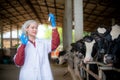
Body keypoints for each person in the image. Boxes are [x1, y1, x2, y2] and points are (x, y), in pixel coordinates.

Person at [13, 13, 60, 80]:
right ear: (26, 29)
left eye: (36, 28)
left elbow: (55, 43)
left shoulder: (43, 43)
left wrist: (54, 26)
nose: (35, 30)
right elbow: (18, 63)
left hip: (43, 75)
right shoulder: (21, 46)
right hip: (28, 76)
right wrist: (23, 45)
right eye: (32, 27)